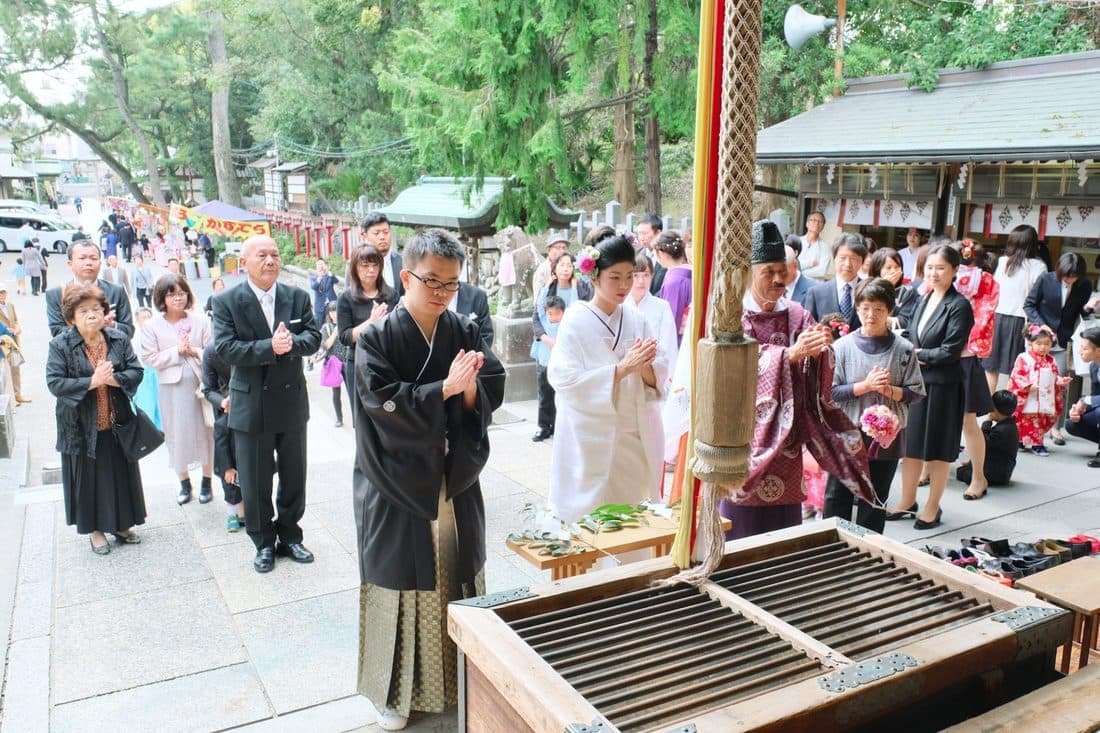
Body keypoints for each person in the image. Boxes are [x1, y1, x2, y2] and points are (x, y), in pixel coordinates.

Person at [352, 228, 505, 731]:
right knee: (399, 582)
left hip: (452, 477)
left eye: (451, 284)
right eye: (432, 282)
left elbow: (490, 383)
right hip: (395, 482)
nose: (441, 293)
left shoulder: (461, 329)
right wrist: (444, 387)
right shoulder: (376, 337)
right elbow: (380, 404)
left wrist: (465, 395)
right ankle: (391, 693)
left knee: (455, 572)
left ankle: (460, 676)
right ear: (406, 276)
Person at [719, 220, 873, 539]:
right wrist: (788, 355)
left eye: (783, 271)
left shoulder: (797, 313)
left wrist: (819, 352)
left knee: (783, 532)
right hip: (744, 434)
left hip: (787, 446)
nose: (779, 279)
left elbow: (818, 362)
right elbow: (733, 366)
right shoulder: (732, 316)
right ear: (749, 273)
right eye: (769, 272)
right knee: (739, 524)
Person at [212, 235, 321, 573]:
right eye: (262, 254)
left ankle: (290, 535)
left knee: (294, 475)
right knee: (256, 479)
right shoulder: (227, 300)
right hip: (251, 404)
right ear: (244, 261)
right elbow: (226, 348)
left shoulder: (297, 296)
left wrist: (291, 345)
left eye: (275, 253)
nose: (271, 260)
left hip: (290, 401)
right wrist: (269, 347)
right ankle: (262, 542)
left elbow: (313, 338)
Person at [548, 233, 668, 522]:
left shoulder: (636, 318)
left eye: (630, 276)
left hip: (631, 433)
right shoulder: (576, 320)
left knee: (629, 516)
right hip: (590, 435)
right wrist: (621, 369)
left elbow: (658, 373)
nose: (625, 286)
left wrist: (644, 367)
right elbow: (564, 378)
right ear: (595, 277)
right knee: (593, 520)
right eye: (615, 277)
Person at [46, 284, 146, 555]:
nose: (92, 315)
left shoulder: (118, 338)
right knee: (88, 479)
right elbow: (55, 382)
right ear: (71, 317)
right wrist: (92, 381)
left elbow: (136, 370)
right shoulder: (60, 344)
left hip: (116, 421)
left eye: (96, 309)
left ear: (105, 312)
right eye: (84, 310)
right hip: (79, 425)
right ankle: (95, 531)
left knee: (120, 474)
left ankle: (123, 525)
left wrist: (113, 379)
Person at [824, 278, 925, 533]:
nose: (871, 315)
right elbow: (830, 392)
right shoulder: (842, 347)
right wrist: (866, 386)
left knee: (876, 497)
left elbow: (916, 392)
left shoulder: (903, 349)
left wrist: (889, 391)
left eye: (879, 309)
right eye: (865, 308)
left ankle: (868, 549)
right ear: (857, 308)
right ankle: (831, 548)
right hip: (847, 433)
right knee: (838, 495)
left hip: (886, 437)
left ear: (889, 310)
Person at [887, 244, 973, 530]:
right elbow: (911, 336)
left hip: (944, 388)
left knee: (937, 449)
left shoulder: (959, 306)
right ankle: (907, 500)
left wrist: (918, 355)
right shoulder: (924, 299)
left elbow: (950, 351)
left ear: (954, 271)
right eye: (929, 268)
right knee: (910, 446)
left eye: (940, 268)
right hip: (917, 384)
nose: (933, 273)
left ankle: (932, 507)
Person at [140, 274, 215, 504]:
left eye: (182, 293)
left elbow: (213, 351)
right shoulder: (152, 326)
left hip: (200, 383)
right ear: (162, 297)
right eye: (171, 294)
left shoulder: (201, 320)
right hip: (171, 387)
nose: (178, 298)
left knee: (206, 431)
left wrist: (194, 351)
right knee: (175, 433)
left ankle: (207, 481)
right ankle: (184, 483)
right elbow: (149, 358)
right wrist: (176, 352)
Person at [1023, 252, 1095, 446]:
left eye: (1073, 277)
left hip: (1062, 341)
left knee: (1058, 384)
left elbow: (1079, 312)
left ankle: (1055, 428)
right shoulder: (1046, 279)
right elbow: (1029, 305)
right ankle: (1025, 425)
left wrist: (1089, 308)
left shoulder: (1084, 285)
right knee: (1031, 383)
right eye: (1066, 276)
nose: (1069, 280)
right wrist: (1041, 325)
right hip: (1039, 339)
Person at [338, 244, 399, 424]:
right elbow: (345, 337)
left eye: (375, 265)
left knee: (389, 416)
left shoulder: (391, 295)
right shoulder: (346, 297)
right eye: (365, 266)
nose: (371, 270)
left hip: (387, 362)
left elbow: (397, 331)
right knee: (362, 419)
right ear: (355, 268)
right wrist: (371, 322)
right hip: (357, 363)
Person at [984, 224, 1047, 394]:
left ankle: (988, 412)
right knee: (1016, 370)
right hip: (1021, 321)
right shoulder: (1038, 266)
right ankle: (1006, 411)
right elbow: (1040, 299)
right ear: (1033, 243)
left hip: (997, 318)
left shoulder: (1002, 262)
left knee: (991, 369)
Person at [46, 241, 134, 338]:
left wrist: (111, 325)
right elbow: (57, 332)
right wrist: (95, 325)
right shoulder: (56, 294)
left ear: (100, 263)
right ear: (70, 264)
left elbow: (129, 331)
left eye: (93, 258)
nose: (88, 263)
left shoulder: (117, 291)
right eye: (82, 258)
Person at [201, 340, 245, 533]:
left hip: (250, 415)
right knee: (230, 481)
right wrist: (223, 403)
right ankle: (232, 514)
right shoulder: (212, 351)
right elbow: (208, 389)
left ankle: (245, 513)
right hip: (226, 411)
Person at [1008, 324, 1072, 456]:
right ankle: (1021, 440)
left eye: (1047, 344)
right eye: (1039, 343)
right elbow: (1017, 375)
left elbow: (1054, 377)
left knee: (1039, 421)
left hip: (1044, 397)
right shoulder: (1024, 358)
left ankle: (1038, 443)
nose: (1043, 347)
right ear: (1031, 343)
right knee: (1024, 419)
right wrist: (1027, 386)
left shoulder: (1051, 360)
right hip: (1028, 395)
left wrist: (1061, 381)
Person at [628, 253, 679, 385]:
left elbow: (669, 345)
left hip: (655, 374)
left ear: (652, 276)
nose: (641, 281)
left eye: (646, 275)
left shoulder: (662, 307)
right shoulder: (620, 306)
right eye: (635, 275)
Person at [804, 232, 868, 331]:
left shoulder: (869, 291)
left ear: (862, 261)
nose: (847, 264)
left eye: (854, 259)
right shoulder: (816, 293)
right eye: (842, 258)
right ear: (834, 258)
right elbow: (808, 330)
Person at [957, 390, 1019, 486]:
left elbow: (983, 443)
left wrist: (987, 423)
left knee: (962, 473)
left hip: (996, 474)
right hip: (1002, 469)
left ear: (995, 409)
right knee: (965, 469)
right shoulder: (1010, 425)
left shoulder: (1002, 430)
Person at [531, 295, 565, 442]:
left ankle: (558, 427)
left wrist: (576, 288)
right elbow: (539, 307)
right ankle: (543, 426)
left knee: (560, 397)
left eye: (557, 313)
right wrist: (548, 285)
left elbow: (575, 300)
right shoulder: (544, 322)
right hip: (544, 364)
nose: (554, 317)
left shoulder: (566, 324)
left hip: (561, 366)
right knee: (545, 396)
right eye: (550, 313)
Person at [1067, 327, 1100, 467]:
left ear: (1098, 350)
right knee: (1072, 423)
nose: (1080, 352)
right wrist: (1079, 410)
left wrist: (1084, 400)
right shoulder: (1094, 367)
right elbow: (1095, 396)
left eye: (1084, 349)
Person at [315, 301, 350, 427]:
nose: (334, 314)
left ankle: (357, 417)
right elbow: (326, 345)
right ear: (329, 313)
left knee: (352, 391)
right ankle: (339, 418)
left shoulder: (347, 324)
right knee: (336, 393)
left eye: (336, 310)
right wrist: (335, 331)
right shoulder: (326, 328)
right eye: (332, 311)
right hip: (334, 363)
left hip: (347, 361)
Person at [655, 230, 691, 345]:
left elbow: (672, 318)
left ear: (662, 253)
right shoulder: (688, 274)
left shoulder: (675, 281)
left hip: (679, 340)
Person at [360, 213, 404, 299]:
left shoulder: (402, 261)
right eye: (376, 233)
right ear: (365, 236)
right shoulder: (356, 264)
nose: (382, 237)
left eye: (386, 232)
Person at [132, 307, 162, 430]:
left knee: (159, 402)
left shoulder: (157, 333)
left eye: (149, 317)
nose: (147, 320)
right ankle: (149, 428)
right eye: (143, 317)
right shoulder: (136, 337)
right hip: (144, 374)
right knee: (146, 402)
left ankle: (160, 427)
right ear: (137, 320)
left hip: (157, 372)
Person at [0, 284, 29, 403]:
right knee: (5, 370)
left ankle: (18, 394)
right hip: (3, 342)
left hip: (13, 341)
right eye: (0, 293)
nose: (2, 295)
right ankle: (9, 398)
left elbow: (15, 319)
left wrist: (17, 327)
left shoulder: (10, 305)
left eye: (3, 293)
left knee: (15, 367)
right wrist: (9, 330)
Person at [451, 282, 494, 351]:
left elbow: (486, 334)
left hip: (471, 357)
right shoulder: (429, 294)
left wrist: (473, 359)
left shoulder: (477, 295)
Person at [530, 231, 570, 297]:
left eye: (564, 248)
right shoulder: (543, 270)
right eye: (558, 247)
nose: (562, 251)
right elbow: (537, 299)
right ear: (549, 250)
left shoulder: (569, 267)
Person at [635, 214, 666, 294]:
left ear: (658, 233)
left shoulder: (667, 256)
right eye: (639, 233)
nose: (641, 238)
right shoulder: (638, 254)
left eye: (645, 233)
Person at [797, 210, 830, 279]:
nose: (817, 223)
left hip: (814, 286)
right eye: (814, 220)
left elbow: (821, 271)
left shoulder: (825, 247)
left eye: (820, 221)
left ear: (823, 226)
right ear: (807, 223)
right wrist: (811, 263)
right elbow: (790, 264)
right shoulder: (797, 241)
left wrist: (798, 272)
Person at [309, 258, 339, 326]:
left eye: (322, 264)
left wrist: (329, 272)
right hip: (320, 306)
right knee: (320, 324)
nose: (321, 266)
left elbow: (336, 281)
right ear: (316, 267)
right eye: (319, 264)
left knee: (335, 323)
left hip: (332, 303)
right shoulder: (313, 278)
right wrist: (319, 277)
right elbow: (314, 287)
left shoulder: (329, 275)